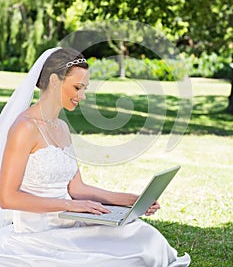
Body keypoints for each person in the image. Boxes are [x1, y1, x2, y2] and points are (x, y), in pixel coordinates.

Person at [0, 47, 191, 266]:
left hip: (70, 223)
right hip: (37, 234)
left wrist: (131, 200)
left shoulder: (61, 127)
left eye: (84, 88)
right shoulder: (24, 128)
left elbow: (77, 188)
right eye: (77, 87)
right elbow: (7, 198)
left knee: (145, 236)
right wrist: (69, 206)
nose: (82, 96)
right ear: (54, 81)